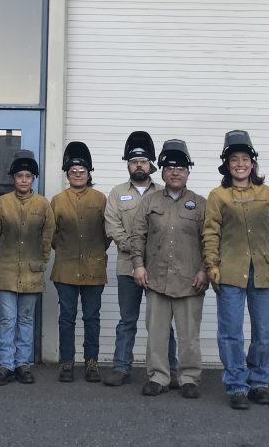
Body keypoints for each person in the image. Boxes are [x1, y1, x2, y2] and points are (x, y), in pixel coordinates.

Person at [202, 130, 269, 410]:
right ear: (227, 165)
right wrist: (211, 265)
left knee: (264, 332)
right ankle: (237, 386)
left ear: (253, 163)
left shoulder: (268, 194)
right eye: (234, 159)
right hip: (229, 272)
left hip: (264, 271)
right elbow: (211, 233)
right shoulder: (218, 196)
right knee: (231, 333)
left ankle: (259, 381)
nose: (240, 164)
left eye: (245, 159)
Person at [130, 139, 207, 399]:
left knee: (189, 336)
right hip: (156, 279)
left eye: (181, 167)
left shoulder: (200, 204)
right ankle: (159, 377)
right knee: (157, 335)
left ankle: (188, 378)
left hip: (190, 280)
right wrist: (138, 266)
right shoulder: (149, 202)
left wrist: (205, 270)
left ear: (188, 172)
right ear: (162, 171)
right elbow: (137, 236)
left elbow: (210, 241)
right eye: (170, 167)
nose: (175, 172)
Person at [103, 131, 178, 387]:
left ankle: (170, 369)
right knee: (127, 320)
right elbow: (112, 225)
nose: (139, 165)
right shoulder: (117, 193)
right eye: (134, 162)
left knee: (162, 321)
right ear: (128, 164)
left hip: (158, 269)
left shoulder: (163, 193)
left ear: (151, 165)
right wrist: (135, 250)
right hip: (127, 268)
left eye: (143, 161)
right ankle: (121, 367)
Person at [0, 150, 56, 386]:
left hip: (32, 270)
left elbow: (48, 236)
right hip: (5, 270)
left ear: (33, 179)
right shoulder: (1, 203)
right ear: (13, 178)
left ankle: (23, 365)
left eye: (28, 176)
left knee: (25, 319)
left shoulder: (43, 205)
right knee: (8, 319)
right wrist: (6, 255)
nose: (24, 180)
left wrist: (42, 259)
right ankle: (6, 365)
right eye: (19, 176)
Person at [50, 141, 110, 383]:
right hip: (65, 268)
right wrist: (66, 250)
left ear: (89, 173)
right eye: (73, 171)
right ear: (67, 174)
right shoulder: (57, 200)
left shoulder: (101, 198)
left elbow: (108, 233)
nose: (77, 174)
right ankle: (66, 362)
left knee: (91, 317)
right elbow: (50, 233)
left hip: (94, 268)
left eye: (82, 171)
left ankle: (91, 362)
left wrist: (94, 251)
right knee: (67, 317)